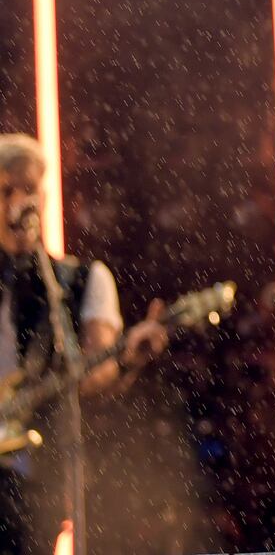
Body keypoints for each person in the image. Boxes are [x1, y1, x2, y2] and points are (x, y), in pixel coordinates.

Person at [0, 134, 168, 549]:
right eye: (6, 190)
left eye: (30, 189)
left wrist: (128, 360)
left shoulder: (80, 282)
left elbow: (93, 372)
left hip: (33, 477)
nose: (18, 201)